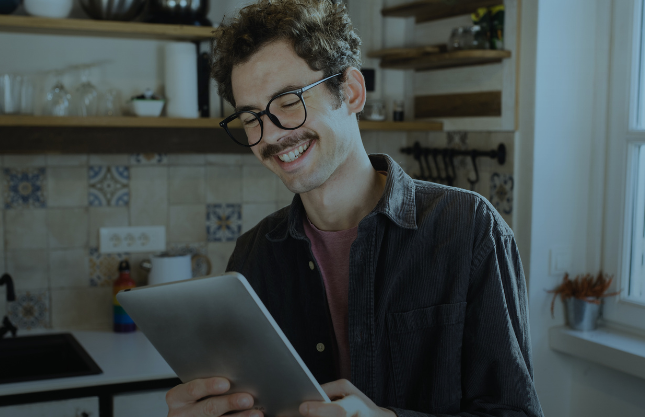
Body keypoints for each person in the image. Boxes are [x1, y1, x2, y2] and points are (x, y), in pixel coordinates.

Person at [165, 1, 544, 416]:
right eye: (251, 116)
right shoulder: (255, 256)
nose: (270, 135)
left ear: (351, 92)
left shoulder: (469, 229)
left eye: (288, 101)